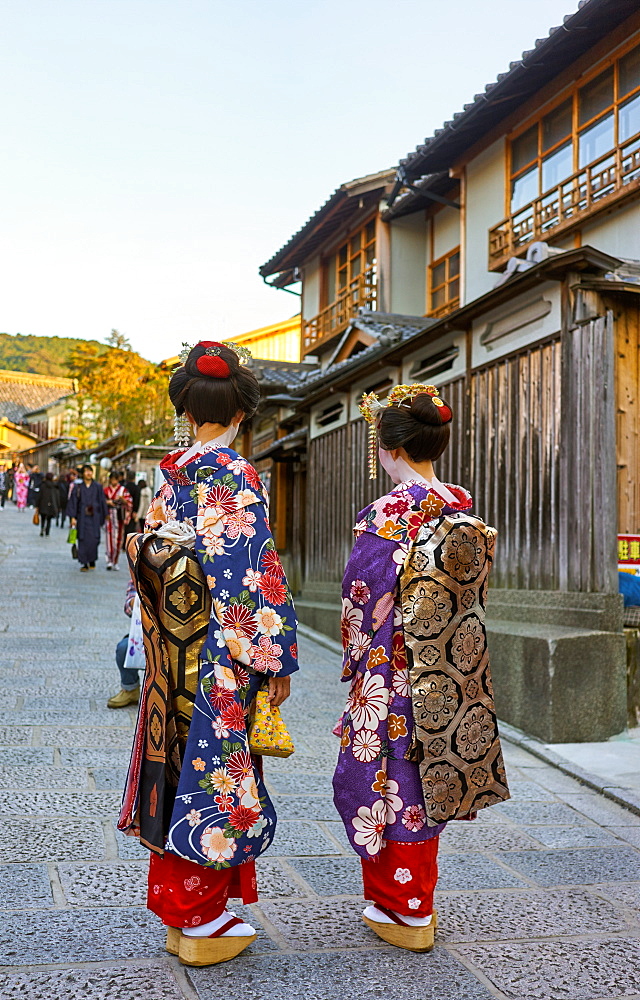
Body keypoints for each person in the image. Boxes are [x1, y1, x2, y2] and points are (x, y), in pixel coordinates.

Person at [118, 340, 299, 968]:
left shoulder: (171, 477)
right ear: (243, 415)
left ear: (186, 412)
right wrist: (275, 658)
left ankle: (180, 913)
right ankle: (201, 917)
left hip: (170, 656)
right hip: (221, 658)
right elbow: (254, 577)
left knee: (175, 769)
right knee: (215, 777)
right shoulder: (235, 477)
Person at [332, 383, 510, 953]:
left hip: (394, 667)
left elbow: (360, 593)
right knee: (430, 771)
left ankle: (403, 908)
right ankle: (417, 899)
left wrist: (357, 654)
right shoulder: (463, 510)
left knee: (392, 779)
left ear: (387, 448)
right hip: (451, 670)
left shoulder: (387, 515)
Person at [107, 579, 144, 707]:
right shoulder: (139, 571)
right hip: (144, 633)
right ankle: (130, 689)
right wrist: (136, 602)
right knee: (124, 649)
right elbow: (128, 607)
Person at [67, 464, 108, 571]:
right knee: (83, 539)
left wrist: (105, 515)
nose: (89, 473)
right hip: (82, 517)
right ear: (83, 473)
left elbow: (102, 501)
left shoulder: (98, 487)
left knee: (94, 539)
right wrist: (73, 517)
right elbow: (73, 502)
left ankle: (92, 560)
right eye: (86, 471)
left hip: (95, 517)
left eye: (90, 471)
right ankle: (84, 563)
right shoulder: (78, 487)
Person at [104, 472, 133, 570]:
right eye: (112, 480)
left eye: (115, 480)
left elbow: (129, 502)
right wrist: (107, 502)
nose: (113, 482)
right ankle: (109, 559)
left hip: (119, 516)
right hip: (109, 516)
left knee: (118, 539)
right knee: (109, 538)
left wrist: (123, 500)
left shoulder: (123, 490)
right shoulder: (106, 490)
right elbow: (100, 501)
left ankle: (115, 560)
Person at [37, 472, 60, 536]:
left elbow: (39, 496)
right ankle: (47, 531)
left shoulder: (43, 485)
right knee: (49, 519)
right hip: (52, 504)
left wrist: (37, 505)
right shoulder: (54, 486)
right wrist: (57, 506)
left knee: (43, 518)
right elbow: (57, 497)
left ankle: (42, 529)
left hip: (43, 504)